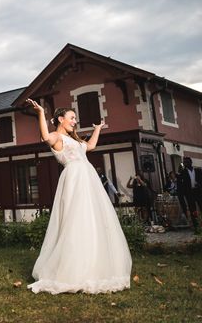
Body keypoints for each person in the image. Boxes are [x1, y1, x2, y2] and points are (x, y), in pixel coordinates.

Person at [26, 101, 131, 294]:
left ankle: (93, 265)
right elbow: (45, 136)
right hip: (74, 179)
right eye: (72, 118)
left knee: (91, 218)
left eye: (75, 118)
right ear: (60, 119)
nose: (75, 121)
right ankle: (71, 268)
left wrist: (98, 129)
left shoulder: (74, 140)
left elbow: (90, 146)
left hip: (88, 179)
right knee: (75, 219)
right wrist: (41, 113)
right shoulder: (57, 137)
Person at [177, 157, 202, 228]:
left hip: (198, 191)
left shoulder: (198, 171)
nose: (185, 164)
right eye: (184, 162)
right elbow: (181, 184)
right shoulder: (183, 172)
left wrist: (199, 185)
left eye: (187, 162)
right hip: (189, 193)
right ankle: (196, 226)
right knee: (192, 209)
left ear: (191, 162)